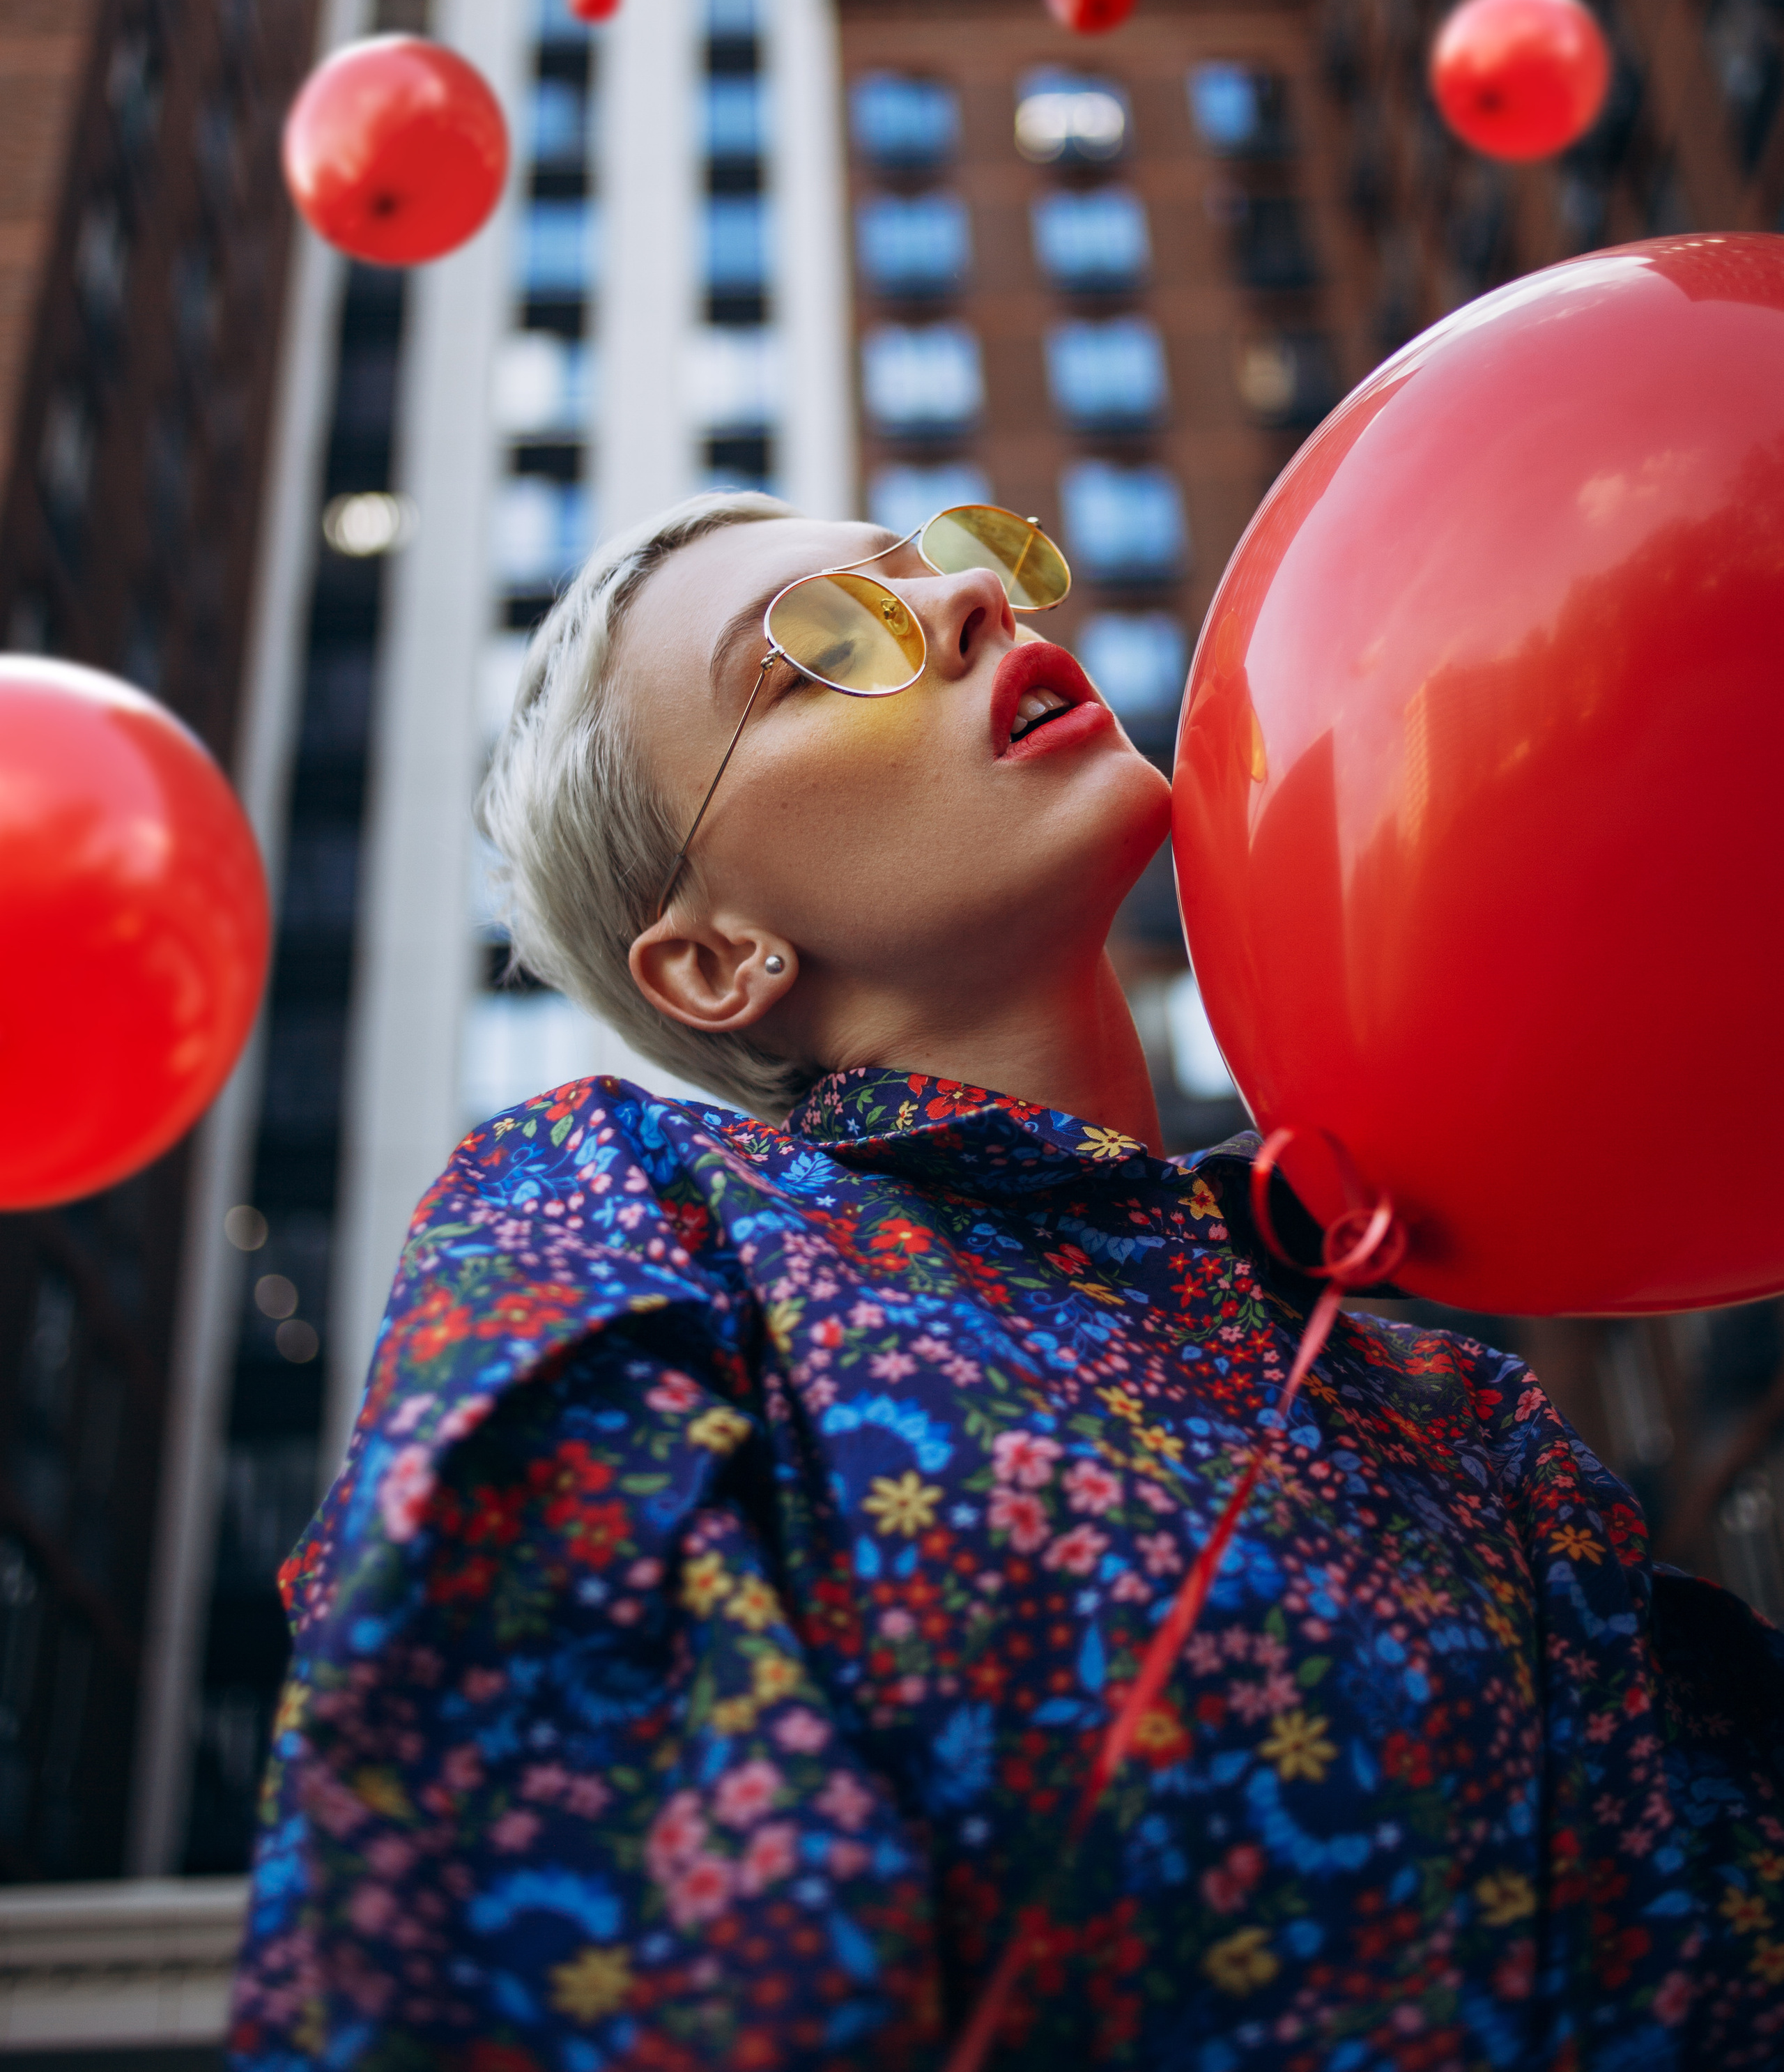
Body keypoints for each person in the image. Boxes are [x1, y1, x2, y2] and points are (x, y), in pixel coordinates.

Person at [228, 493, 1784, 2071]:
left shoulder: (1457, 1416)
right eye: (816, 646)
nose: (973, 603)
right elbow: (536, 1880)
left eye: (951, 560)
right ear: (715, 959)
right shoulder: (634, 1205)